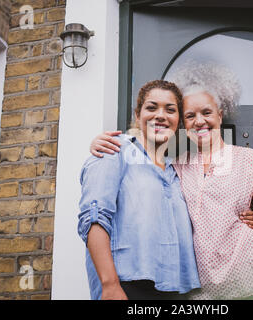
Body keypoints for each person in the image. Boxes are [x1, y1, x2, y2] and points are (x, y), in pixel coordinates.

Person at [90, 62, 253, 300]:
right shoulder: (176, 167)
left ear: (220, 115)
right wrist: (100, 144)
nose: (200, 121)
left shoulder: (251, 160)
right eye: (190, 116)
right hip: (198, 293)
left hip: (251, 282)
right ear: (183, 124)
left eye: (206, 112)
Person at [78, 80, 201, 300]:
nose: (161, 115)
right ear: (138, 115)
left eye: (170, 110)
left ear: (178, 121)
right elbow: (94, 218)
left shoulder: (176, 171)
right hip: (127, 288)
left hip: (176, 291)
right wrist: (110, 285)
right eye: (152, 108)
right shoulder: (114, 150)